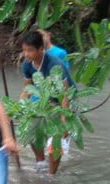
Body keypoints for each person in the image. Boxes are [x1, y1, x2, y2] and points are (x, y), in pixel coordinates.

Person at [19, 31, 75, 174]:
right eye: (24, 50)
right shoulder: (27, 64)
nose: (26, 54)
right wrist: (19, 108)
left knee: (55, 141)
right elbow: (27, 90)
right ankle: (40, 161)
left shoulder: (54, 64)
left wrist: (64, 121)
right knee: (29, 130)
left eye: (30, 50)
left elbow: (65, 95)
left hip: (63, 99)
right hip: (45, 99)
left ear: (41, 49)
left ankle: (51, 175)